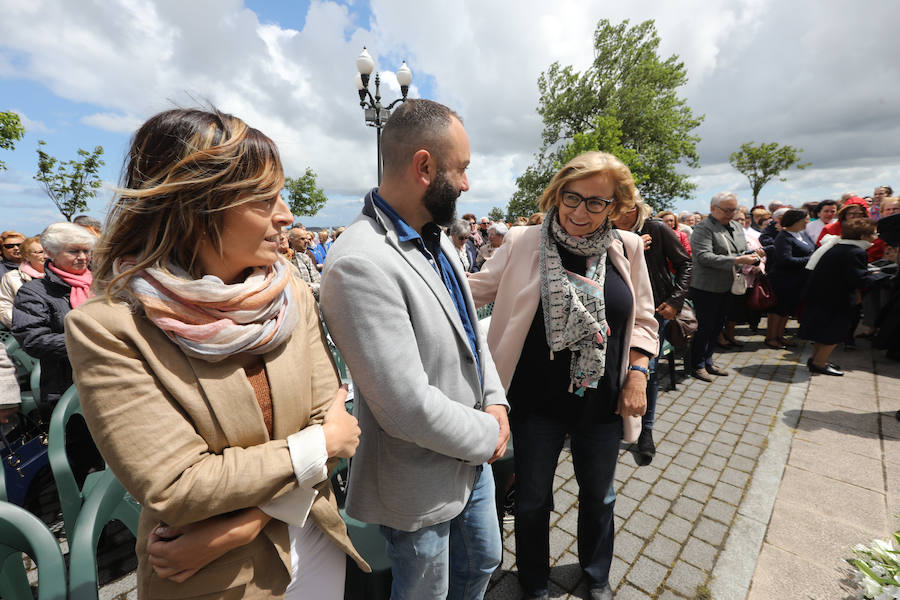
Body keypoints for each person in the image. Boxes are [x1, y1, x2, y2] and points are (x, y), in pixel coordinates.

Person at [64, 108, 366, 599]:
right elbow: (179, 486)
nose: (286, 215)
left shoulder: (288, 293)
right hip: (215, 581)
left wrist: (243, 523)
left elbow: (337, 431)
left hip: (313, 537)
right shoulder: (110, 328)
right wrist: (317, 446)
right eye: (263, 199)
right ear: (196, 207)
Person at [320, 99, 508, 600]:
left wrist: (495, 400)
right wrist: (489, 432)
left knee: (482, 561)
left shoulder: (436, 238)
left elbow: (472, 336)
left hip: (471, 455)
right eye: (461, 168)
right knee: (427, 591)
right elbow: (405, 406)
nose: (466, 183)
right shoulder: (360, 262)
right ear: (424, 166)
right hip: (419, 478)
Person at [468, 151, 657, 600]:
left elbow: (644, 320)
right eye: (572, 197)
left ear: (614, 206)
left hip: (602, 401)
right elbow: (472, 290)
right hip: (535, 403)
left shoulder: (627, 248)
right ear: (557, 194)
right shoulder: (523, 242)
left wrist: (638, 374)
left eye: (596, 202)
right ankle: (533, 581)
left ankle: (596, 575)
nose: (580, 212)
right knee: (532, 499)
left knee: (600, 496)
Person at [612, 198, 690, 466]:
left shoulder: (655, 228)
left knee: (647, 369)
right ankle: (618, 419)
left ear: (636, 208)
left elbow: (685, 263)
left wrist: (676, 300)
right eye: (614, 206)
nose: (620, 213)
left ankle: (645, 430)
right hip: (615, 310)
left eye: (626, 207)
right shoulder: (603, 230)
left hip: (652, 310)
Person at [688, 192, 762, 382]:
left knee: (717, 326)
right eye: (727, 210)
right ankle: (696, 365)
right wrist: (738, 259)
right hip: (706, 287)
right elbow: (704, 257)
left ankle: (708, 360)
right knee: (704, 327)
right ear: (713, 208)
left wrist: (753, 254)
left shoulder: (736, 226)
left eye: (733, 210)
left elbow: (739, 250)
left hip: (729, 285)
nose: (731, 214)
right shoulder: (703, 228)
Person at [800, 218, 881, 376]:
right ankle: (819, 363)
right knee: (833, 333)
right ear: (863, 236)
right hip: (836, 300)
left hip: (823, 297)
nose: (876, 236)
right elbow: (858, 280)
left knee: (822, 333)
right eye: (873, 233)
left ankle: (816, 360)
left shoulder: (838, 246)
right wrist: (879, 276)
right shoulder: (856, 252)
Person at [765, 209, 815, 349]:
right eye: (806, 219)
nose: (808, 222)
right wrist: (810, 259)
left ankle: (780, 336)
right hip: (783, 280)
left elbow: (812, 248)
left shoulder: (802, 234)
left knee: (786, 310)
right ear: (797, 221)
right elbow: (785, 260)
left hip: (797, 280)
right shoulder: (784, 237)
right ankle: (771, 338)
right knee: (777, 310)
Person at [0, 236, 45, 328]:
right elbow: (4, 308)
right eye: (40, 252)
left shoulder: (66, 274)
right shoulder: (12, 277)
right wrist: (26, 326)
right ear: (27, 256)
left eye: (49, 251)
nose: (46, 255)